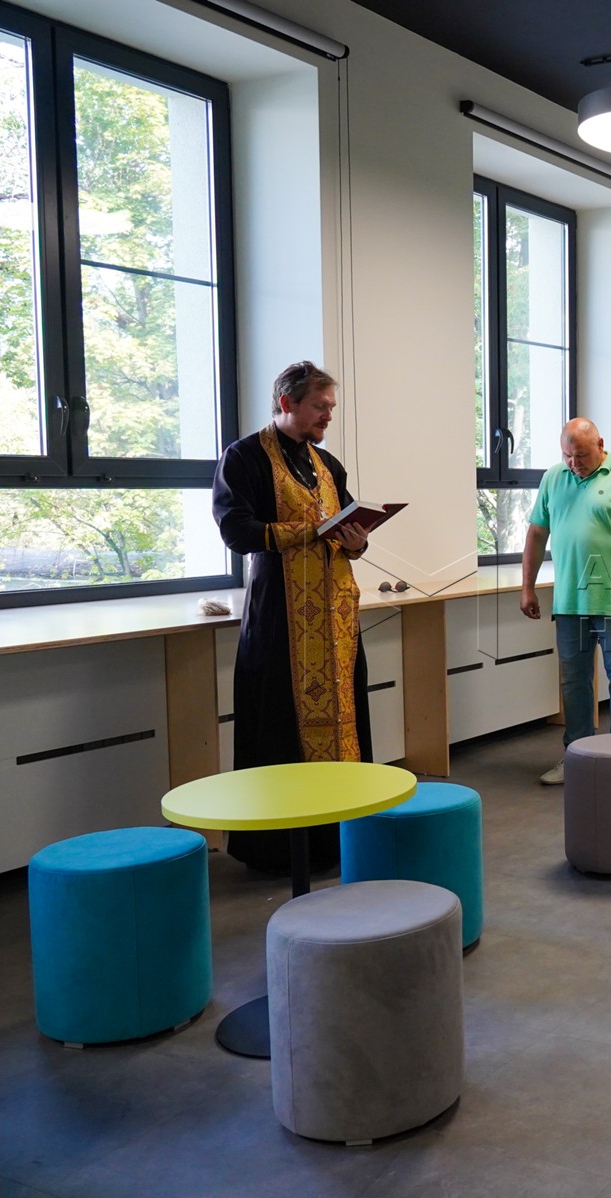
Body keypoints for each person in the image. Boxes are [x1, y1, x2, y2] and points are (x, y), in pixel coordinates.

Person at [212, 361, 371, 875]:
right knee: (278, 728)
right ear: (287, 403)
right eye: (320, 407)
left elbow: (348, 526)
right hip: (280, 619)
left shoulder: (327, 464)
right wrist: (308, 531)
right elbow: (237, 532)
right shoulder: (244, 457)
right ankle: (279, 850)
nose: (328, 416)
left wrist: (356, 540)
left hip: (335, 619)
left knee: (345, 721)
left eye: (330, 407)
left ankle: (340, 838)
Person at [521, 419, 611, 785]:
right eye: (567, 455)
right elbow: (536, 534)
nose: (574, 463)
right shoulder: (554, 478)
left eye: (580, 455)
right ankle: (577, 757)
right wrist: (527, 587)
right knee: (574, 682)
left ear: (600, 444)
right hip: (568, 602)